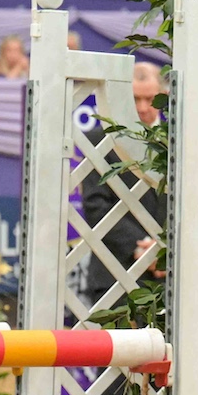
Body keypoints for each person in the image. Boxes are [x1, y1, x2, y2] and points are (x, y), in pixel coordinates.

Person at [80, 61, 167, 306]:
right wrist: (140, 248)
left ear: (164, 95)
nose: (142, 108)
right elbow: (95, 204)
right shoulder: (99, 140)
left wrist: (166, 249)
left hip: (172, 275)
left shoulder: (180, 139)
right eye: (135, 99)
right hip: (114, 273)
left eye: (149, 98)